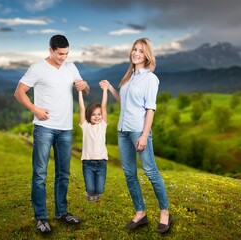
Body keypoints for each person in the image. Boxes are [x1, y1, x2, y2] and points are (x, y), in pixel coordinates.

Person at [14, 34, 90, 234]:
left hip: (66, 128)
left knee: (63, 174)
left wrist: (84, 86)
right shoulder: (37, 69)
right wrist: (35, 109)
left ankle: (61, 212)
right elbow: (19, 92)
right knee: (40, 174)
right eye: (60, 54)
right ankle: (41, 217)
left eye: (66, 53)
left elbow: (85, 88)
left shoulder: (71, 67)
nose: (64, 57)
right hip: (44, 127)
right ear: (50, 50)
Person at [99, 38, 172, 233]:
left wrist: (144, 135)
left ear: (147, 54)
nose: (136, 53)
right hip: (123, 131)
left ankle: (165, 212)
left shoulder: (150, 78)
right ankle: (140, 213)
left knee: (150, 171)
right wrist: (111, 88)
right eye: (134, 49)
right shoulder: (129, 76)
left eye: (140, 50)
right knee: (130, 173)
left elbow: (150, 109)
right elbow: (124, 102)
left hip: (139, 131)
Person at [78, 84, 108, 202]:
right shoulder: (85, 126)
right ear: (88, 116)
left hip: (101, 162)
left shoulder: (103, 125)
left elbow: (104, 106)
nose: (96, 117)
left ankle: (95, 195)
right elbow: (81, 108)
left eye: (99, 114)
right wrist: (80, 92)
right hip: (88, 163)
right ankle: (90, 194)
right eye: (93, 114)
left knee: (99, 189)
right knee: (90, 189)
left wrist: (105, 90)